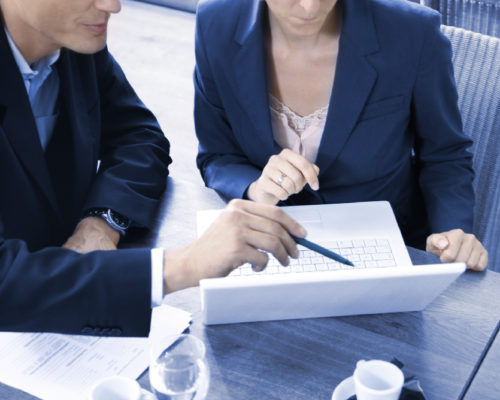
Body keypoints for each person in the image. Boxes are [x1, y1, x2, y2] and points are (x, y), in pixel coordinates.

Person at [0, 0, 305, 336]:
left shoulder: (71, 43)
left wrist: (101, 224)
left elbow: (140, 137)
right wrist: (182, 265)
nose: (113, 6)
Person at [193, 0, 488, 270]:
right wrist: (255, 187)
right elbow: (217, 155)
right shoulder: (215, 23)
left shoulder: (412, 32)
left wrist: (451, 233)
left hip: (385, 252)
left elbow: (444, 156)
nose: (309, 7)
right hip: (268, 247)